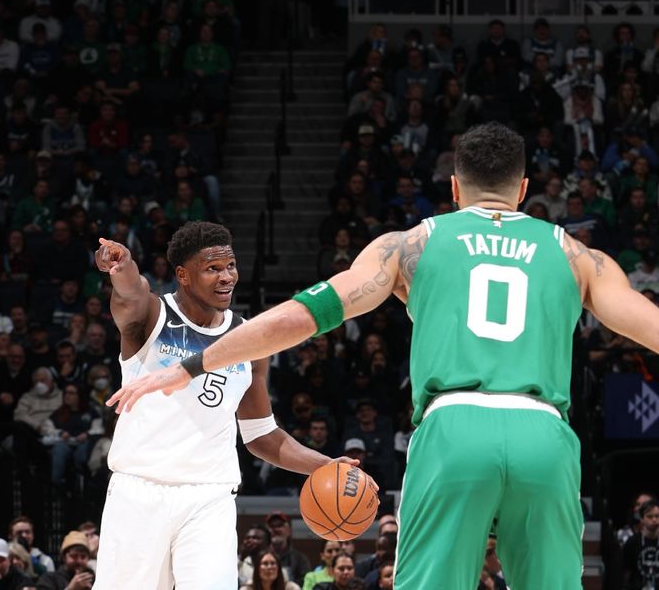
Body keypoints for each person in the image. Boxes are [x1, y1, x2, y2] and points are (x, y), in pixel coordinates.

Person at [111, 122, 659, 589]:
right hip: (545, 433)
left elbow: (300, 317)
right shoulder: (576, 255)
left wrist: (189, 364)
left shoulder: (410, 245)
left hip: (454, 429)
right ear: (522, 190)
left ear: (453, 187)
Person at [92, 221, 365, 589]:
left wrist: (326, 464)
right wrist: (120, 267)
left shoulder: (249, 340)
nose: (227, 277)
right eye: (213, 268)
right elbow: (131, 292)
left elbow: (261, 435)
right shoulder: (151, 316)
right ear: (183, 275)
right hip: (140, 492)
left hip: (210, 496)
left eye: (231, 266)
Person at [622, 500, 659, 589]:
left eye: (657, 516)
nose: (654, 520)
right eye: (649, 517)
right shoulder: (632, 542)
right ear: (642, 519)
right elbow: (626, 572)